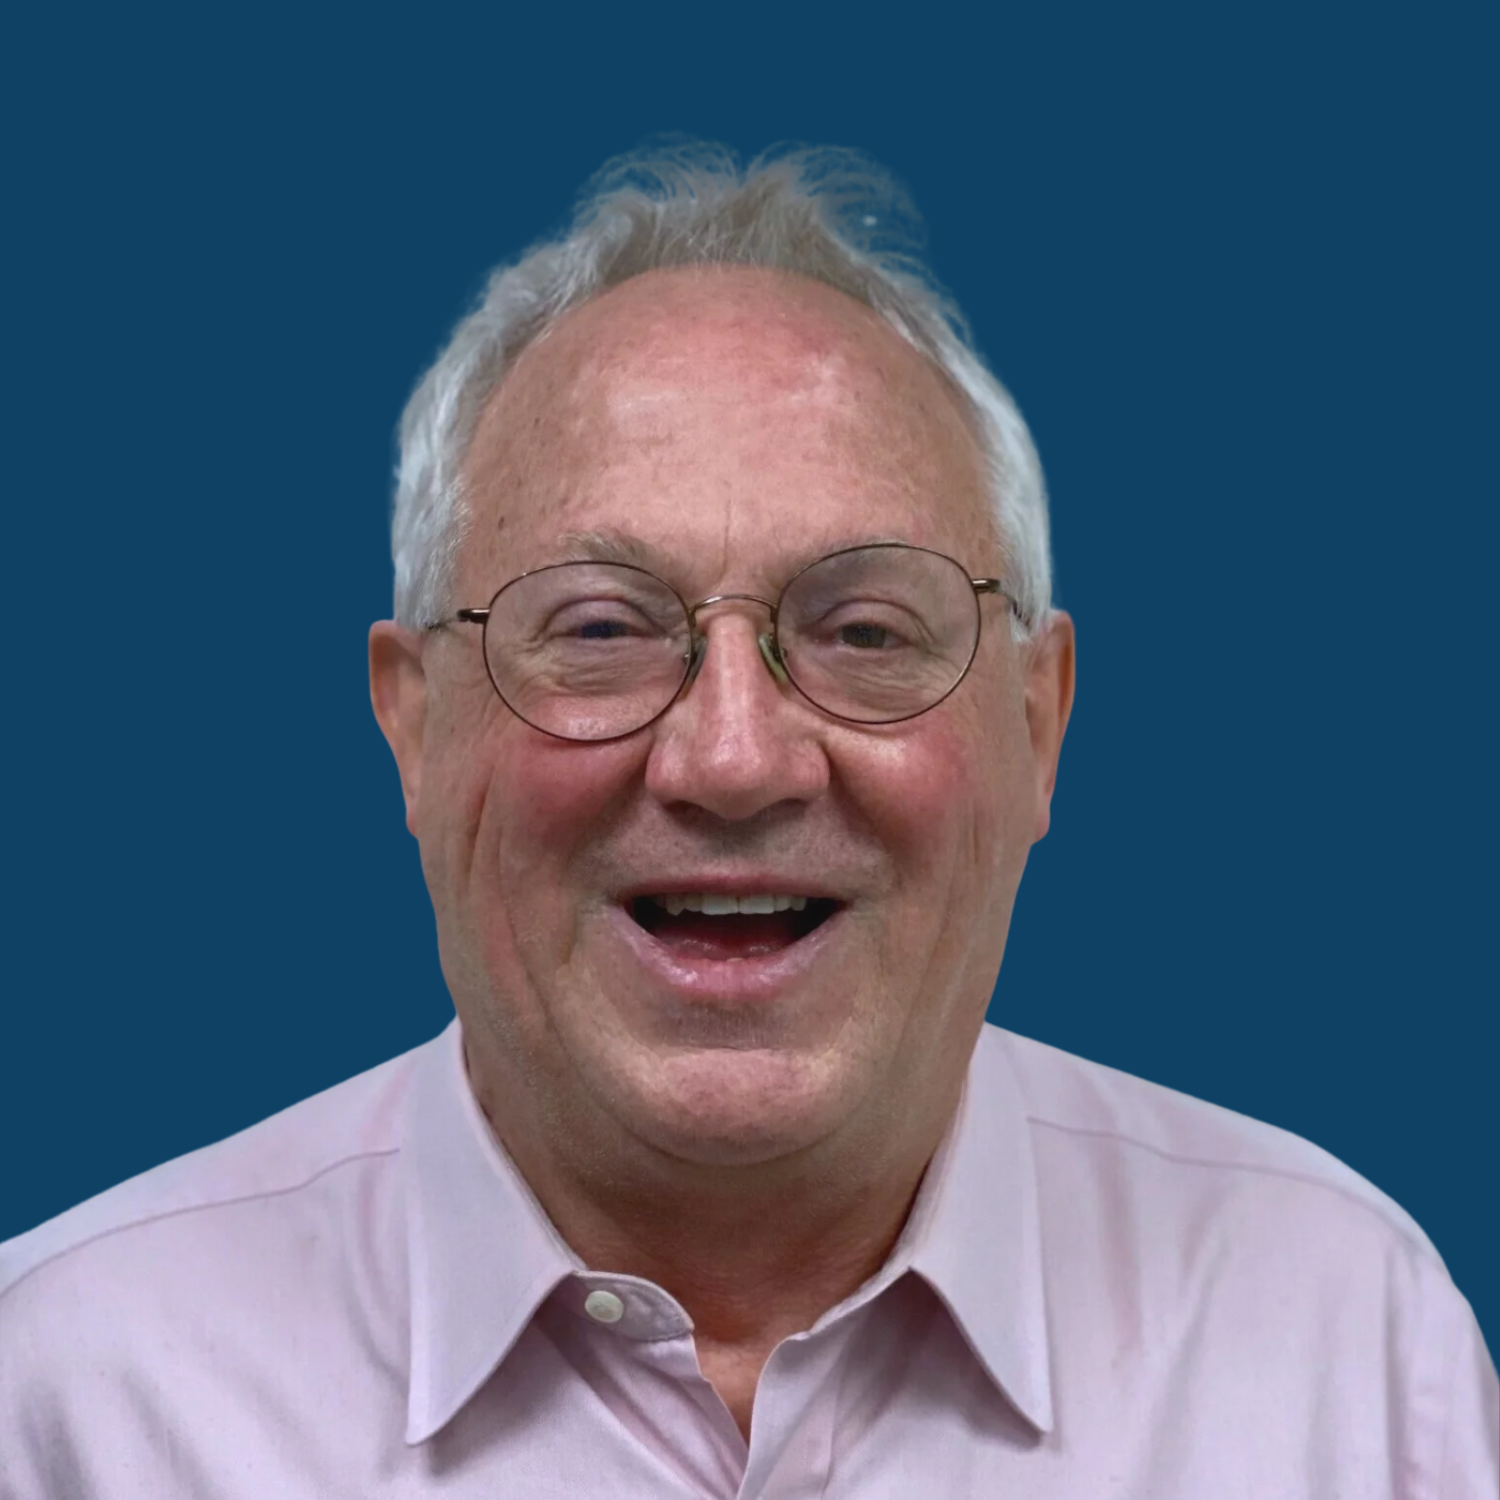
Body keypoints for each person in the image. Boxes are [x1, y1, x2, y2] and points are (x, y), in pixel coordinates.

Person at [1, 141, 1494, 1498]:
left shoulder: (1346, 1354)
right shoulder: (75, 1402)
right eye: (597, 630)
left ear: (1040, 724)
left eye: (864, 633)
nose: (732, 756)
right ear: (415, 725)